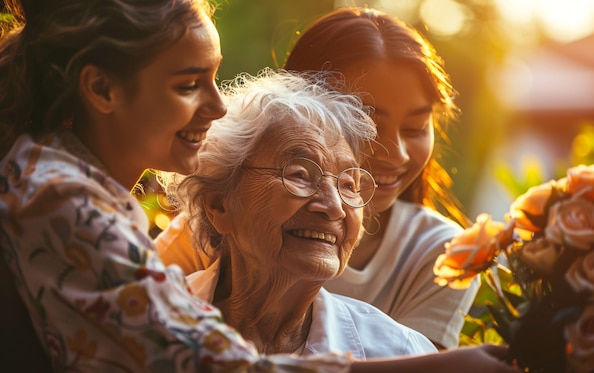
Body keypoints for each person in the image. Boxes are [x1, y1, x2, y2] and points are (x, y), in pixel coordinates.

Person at [0, 0, 518, 371]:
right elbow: (203, 361)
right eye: (187, 85)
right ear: (101, 88)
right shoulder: (59, 195)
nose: (216, 106)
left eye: (346, 182)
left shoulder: (65, 185)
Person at [157, 6, 479, 350]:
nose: (397, 153)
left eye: (349, 184)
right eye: (299, 174)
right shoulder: (153, 316)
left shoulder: (405, 330)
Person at [160, 68, 438, 358]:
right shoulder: (148, 323)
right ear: (219, 205)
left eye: (347, 185)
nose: (334, 207)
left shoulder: (400, 355)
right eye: (300, 175)